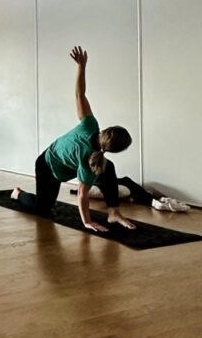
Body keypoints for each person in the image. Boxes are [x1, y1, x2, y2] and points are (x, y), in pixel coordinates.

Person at [12, 46, 134, 232]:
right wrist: (86, 222)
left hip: (69, 164)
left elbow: (79, 95)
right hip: (48, 167)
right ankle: (18, 193)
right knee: (41, 209)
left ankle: (114, 213)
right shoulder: (89, 147)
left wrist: (82, 66)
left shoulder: (91, 134)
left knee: (108, 169)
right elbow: (82, 194)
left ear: (107, 131)